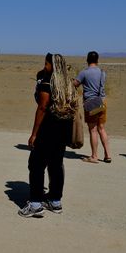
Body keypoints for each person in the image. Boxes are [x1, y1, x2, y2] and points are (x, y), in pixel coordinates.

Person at [20, 53, 76, 218]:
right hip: (63, 129)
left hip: (47, 130)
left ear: (53, 66)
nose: (44, 67)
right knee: (56, 165)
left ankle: (36, 204)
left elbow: (42, 107)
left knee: (36, 165)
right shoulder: (68, 84)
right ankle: (55, 200)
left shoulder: (47, 84)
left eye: (46, 64)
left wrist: (34, 134)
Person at [73, 51, 112, 163]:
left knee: (93, 130)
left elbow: (75, 84)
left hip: (91, 103)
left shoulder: (84, 72)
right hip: (102, 102)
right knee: (101, 128)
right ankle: (108, 155)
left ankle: (94, 156)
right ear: (97, 60)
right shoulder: (102, 72)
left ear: (87, 60)